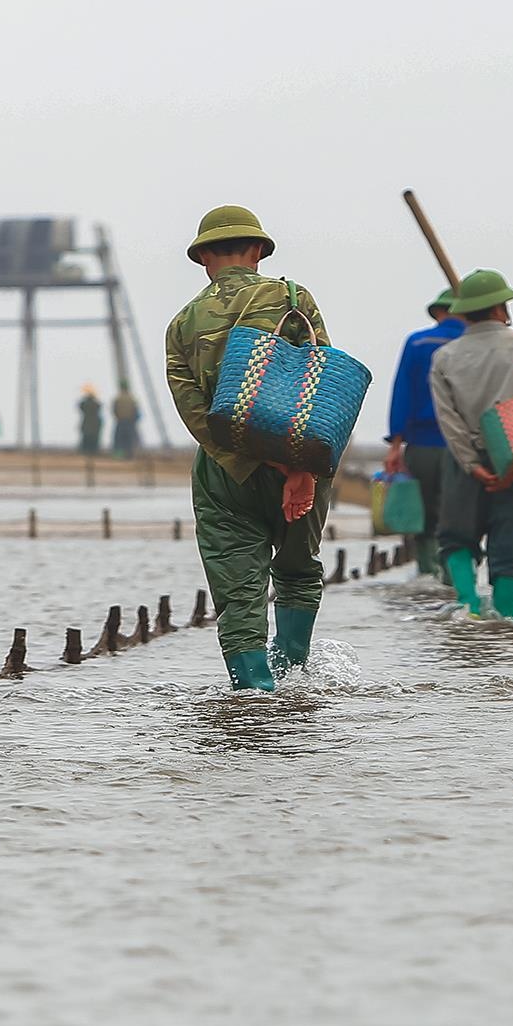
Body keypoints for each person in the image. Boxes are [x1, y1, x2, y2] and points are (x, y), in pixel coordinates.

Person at [166, 205, 332, 691]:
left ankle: (255, 696)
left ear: (202, 258)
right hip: (302, 458)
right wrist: (298, 469)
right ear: (259, 250)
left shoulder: (182, 324)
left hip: (224, 472)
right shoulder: (292, 297)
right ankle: (292, 687)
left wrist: (245, 458)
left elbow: (194, 411)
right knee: (298, 572)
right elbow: (320, 381)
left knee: (239, 595)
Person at [430, 269, 513, 619]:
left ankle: (470, 608)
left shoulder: (445, 356)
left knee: (457, 537)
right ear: (498, 309)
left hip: (465, 461)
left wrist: (472, 466)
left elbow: (450, 421)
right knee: (512, 544)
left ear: (464, 312)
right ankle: (506, 622)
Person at [383, 288, 463, 575]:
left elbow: (402, 393)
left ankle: (427, 572)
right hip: (465, 446)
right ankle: (454, 576)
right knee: (460, 513)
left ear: (439, 313)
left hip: (422, 444)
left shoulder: (417, 343)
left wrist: (395, 443)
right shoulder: (472, 344)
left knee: (425, 512)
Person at [110, 383, 140, 458]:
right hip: (130, 422)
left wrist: (118, 417)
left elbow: (114, 410)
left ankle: (118, 455)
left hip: (120, 421)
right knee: (129, 440)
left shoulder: (118, 399)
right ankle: (129, 455)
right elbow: (135, 410)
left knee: (119, 439)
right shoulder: (132, 399)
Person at [77, 384, 104, 455]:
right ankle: (93, 452)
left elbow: (80, 406)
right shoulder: (96, 404)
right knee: (94, 440)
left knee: (86, 439)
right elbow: (99, 406)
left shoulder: (84, 403)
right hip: (95, 424)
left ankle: (85, 452)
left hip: (86, 423)